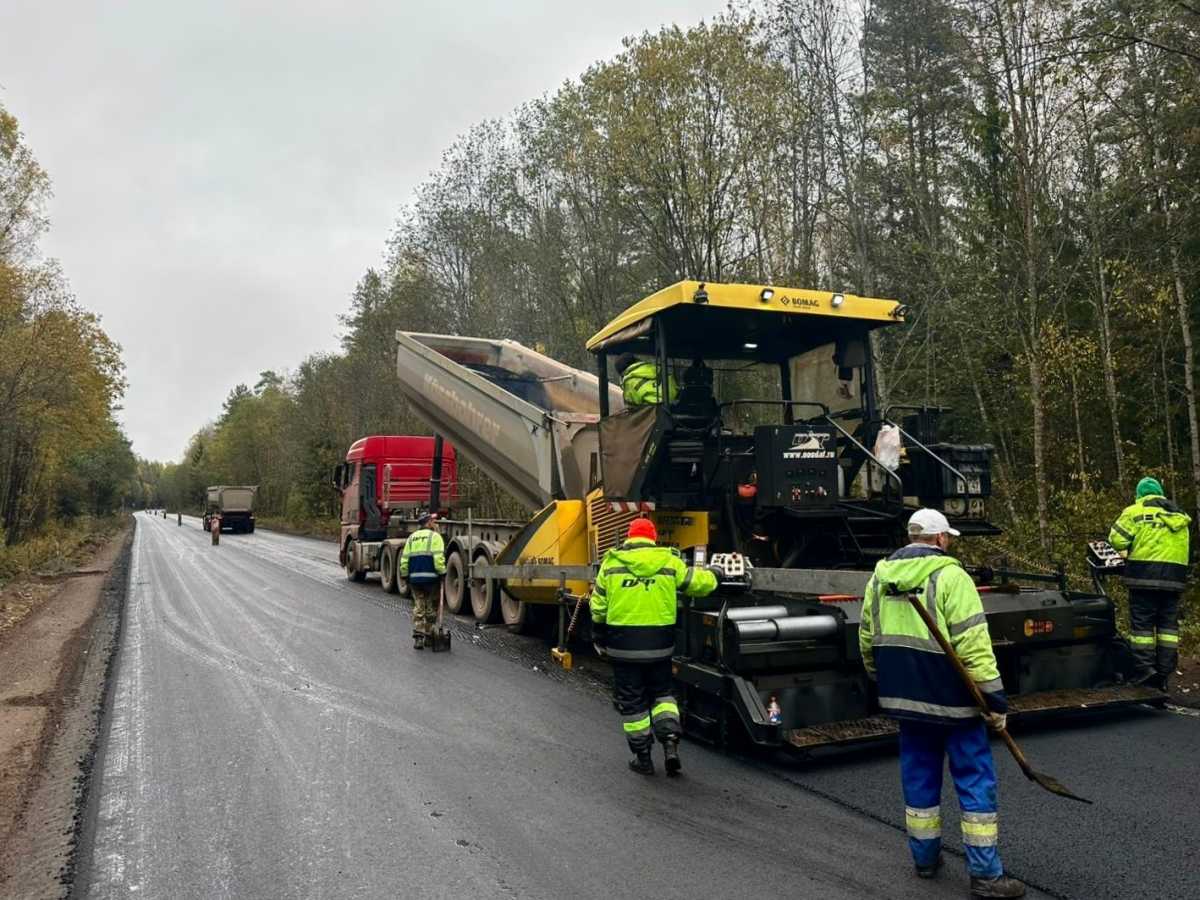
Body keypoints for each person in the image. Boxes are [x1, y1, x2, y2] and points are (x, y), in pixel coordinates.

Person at [859, 508, 1025, 899]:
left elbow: (867, 636)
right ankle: (986, 875)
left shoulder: (879, 578)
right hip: (954, 702)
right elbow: (973, 644)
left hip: (906, 699)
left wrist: (879, 677)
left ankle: (925, 859)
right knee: (974, 781)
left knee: (919, 777)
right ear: (939, 539)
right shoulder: (951, 576)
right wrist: (993, 698)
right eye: (947, 537)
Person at [590, 517, 718, 776]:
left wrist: (599, 634)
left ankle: (643, 758)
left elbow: (598, 607)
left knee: (633, 701)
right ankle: (670, 742)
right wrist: (716, 575)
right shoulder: (669, 561)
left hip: (622, 647)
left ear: (629, 537)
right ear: (652, 538)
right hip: (660, 646)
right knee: (663, 694)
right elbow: (698, 583)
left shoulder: (611, 564)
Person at [1108, 476, 1191, 690]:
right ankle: (1164, 672)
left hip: (1143, 577)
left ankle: (1145, 670)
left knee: (1142, 628)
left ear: (1139, 494)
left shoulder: (1134, 512)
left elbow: (1116, 539)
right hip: (1174, 579)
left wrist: (1128, 551)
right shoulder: (1180, 514)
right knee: (1167, 629)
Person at [400, 512, 447, 650]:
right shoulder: (435, 537)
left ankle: (418, 638)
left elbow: (405, 559)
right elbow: (438, 559)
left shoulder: (411, 538)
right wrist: (442, 572)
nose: (435, 523)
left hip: (415, 579)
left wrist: (405, 574)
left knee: (419, 607)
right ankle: (428, 636)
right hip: (431, 579)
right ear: (428, 523)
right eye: (433, 520)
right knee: (431, 608)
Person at [614, 353, 679, 408]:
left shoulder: (629, 381)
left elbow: (631, 407)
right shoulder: (655, 368)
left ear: (621, 372)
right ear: (636, 360)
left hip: (653, 413)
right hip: (674, 406)